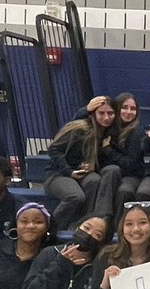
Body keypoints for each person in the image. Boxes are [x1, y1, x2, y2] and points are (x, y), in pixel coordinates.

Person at [43, 96, 122, 230]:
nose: (106, 117)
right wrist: (69, 171)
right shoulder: (80, 128)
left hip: (83, 174)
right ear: (93, 114)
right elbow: (54, 148)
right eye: (101, 113)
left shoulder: (109, 133)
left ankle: (82, 225)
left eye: (110, 113)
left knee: (95, 180)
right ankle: (50, 229)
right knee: (75, 196)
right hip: (58, 174)